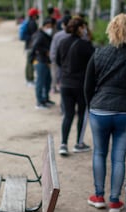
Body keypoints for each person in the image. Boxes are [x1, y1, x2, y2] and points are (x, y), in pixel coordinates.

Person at [84, 13, 126, 212]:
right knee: (119, 157)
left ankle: (98, 196)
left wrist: (91, 107)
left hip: (99, 110)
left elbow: (87, 86)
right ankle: (114, 200)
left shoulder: (98, 54)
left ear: (111, 30)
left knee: (99, 152)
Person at [56, 16, 94, 155]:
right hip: (81, 85)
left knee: (68, 115)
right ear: (79, 28)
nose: (85, 30)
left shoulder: (62, 42)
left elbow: (58, 61)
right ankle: (79, 143)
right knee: (82, 114)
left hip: (65, 84)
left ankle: (63, 144)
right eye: (84, 27)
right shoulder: (85, 45)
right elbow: (93, 65)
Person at [29, 18, 57, 109]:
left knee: (47, 81)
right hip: (40, 61)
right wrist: (45, 52)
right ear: (43, 26)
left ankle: (45, 99)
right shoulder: (40, 35)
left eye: (51, 27)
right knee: (40, 82)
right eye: (48, 27)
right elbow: (34, 47)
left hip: (45, 61)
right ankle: (39, 102)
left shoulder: (45, 35)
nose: (50, 28)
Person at [50, 15, 71, 94]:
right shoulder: (75, 35)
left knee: (55, 74)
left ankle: (53, 88)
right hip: (69, 62)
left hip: (57, 60)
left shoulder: (57, 35)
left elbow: (53, 49)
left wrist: (53, 59)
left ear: (63, 24)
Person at [24, 8, 39, 86]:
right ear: (34, 15)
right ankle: (30, 80)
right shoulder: (32, 23)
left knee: (29, 63)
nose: (38, 15)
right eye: (37, 14)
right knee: (30, 63)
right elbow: (34, 36)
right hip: (31, 46)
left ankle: (28, 79)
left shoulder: (29, 22)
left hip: (28, 45)